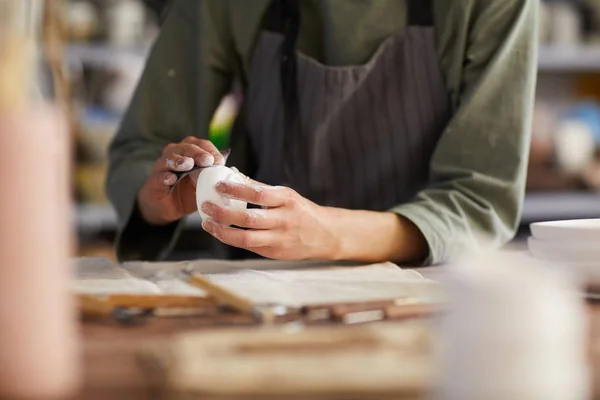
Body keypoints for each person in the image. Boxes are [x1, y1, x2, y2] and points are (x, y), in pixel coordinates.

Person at [107, 0, 537, 264]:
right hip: (261, 288)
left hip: (428, 292)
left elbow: (480, 197)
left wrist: (327, 232)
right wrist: (158, 197)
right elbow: (141, 148)